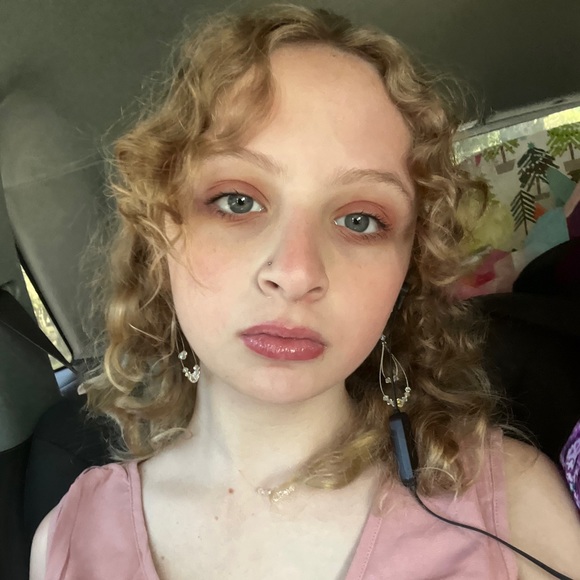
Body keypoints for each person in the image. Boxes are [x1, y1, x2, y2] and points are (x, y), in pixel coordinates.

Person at [30, 4, 580, 579]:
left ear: (408, 271)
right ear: (162, 229)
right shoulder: (69, 542)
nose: (295, 272)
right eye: (237, 201)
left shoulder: (515, 513)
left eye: (360, 220)